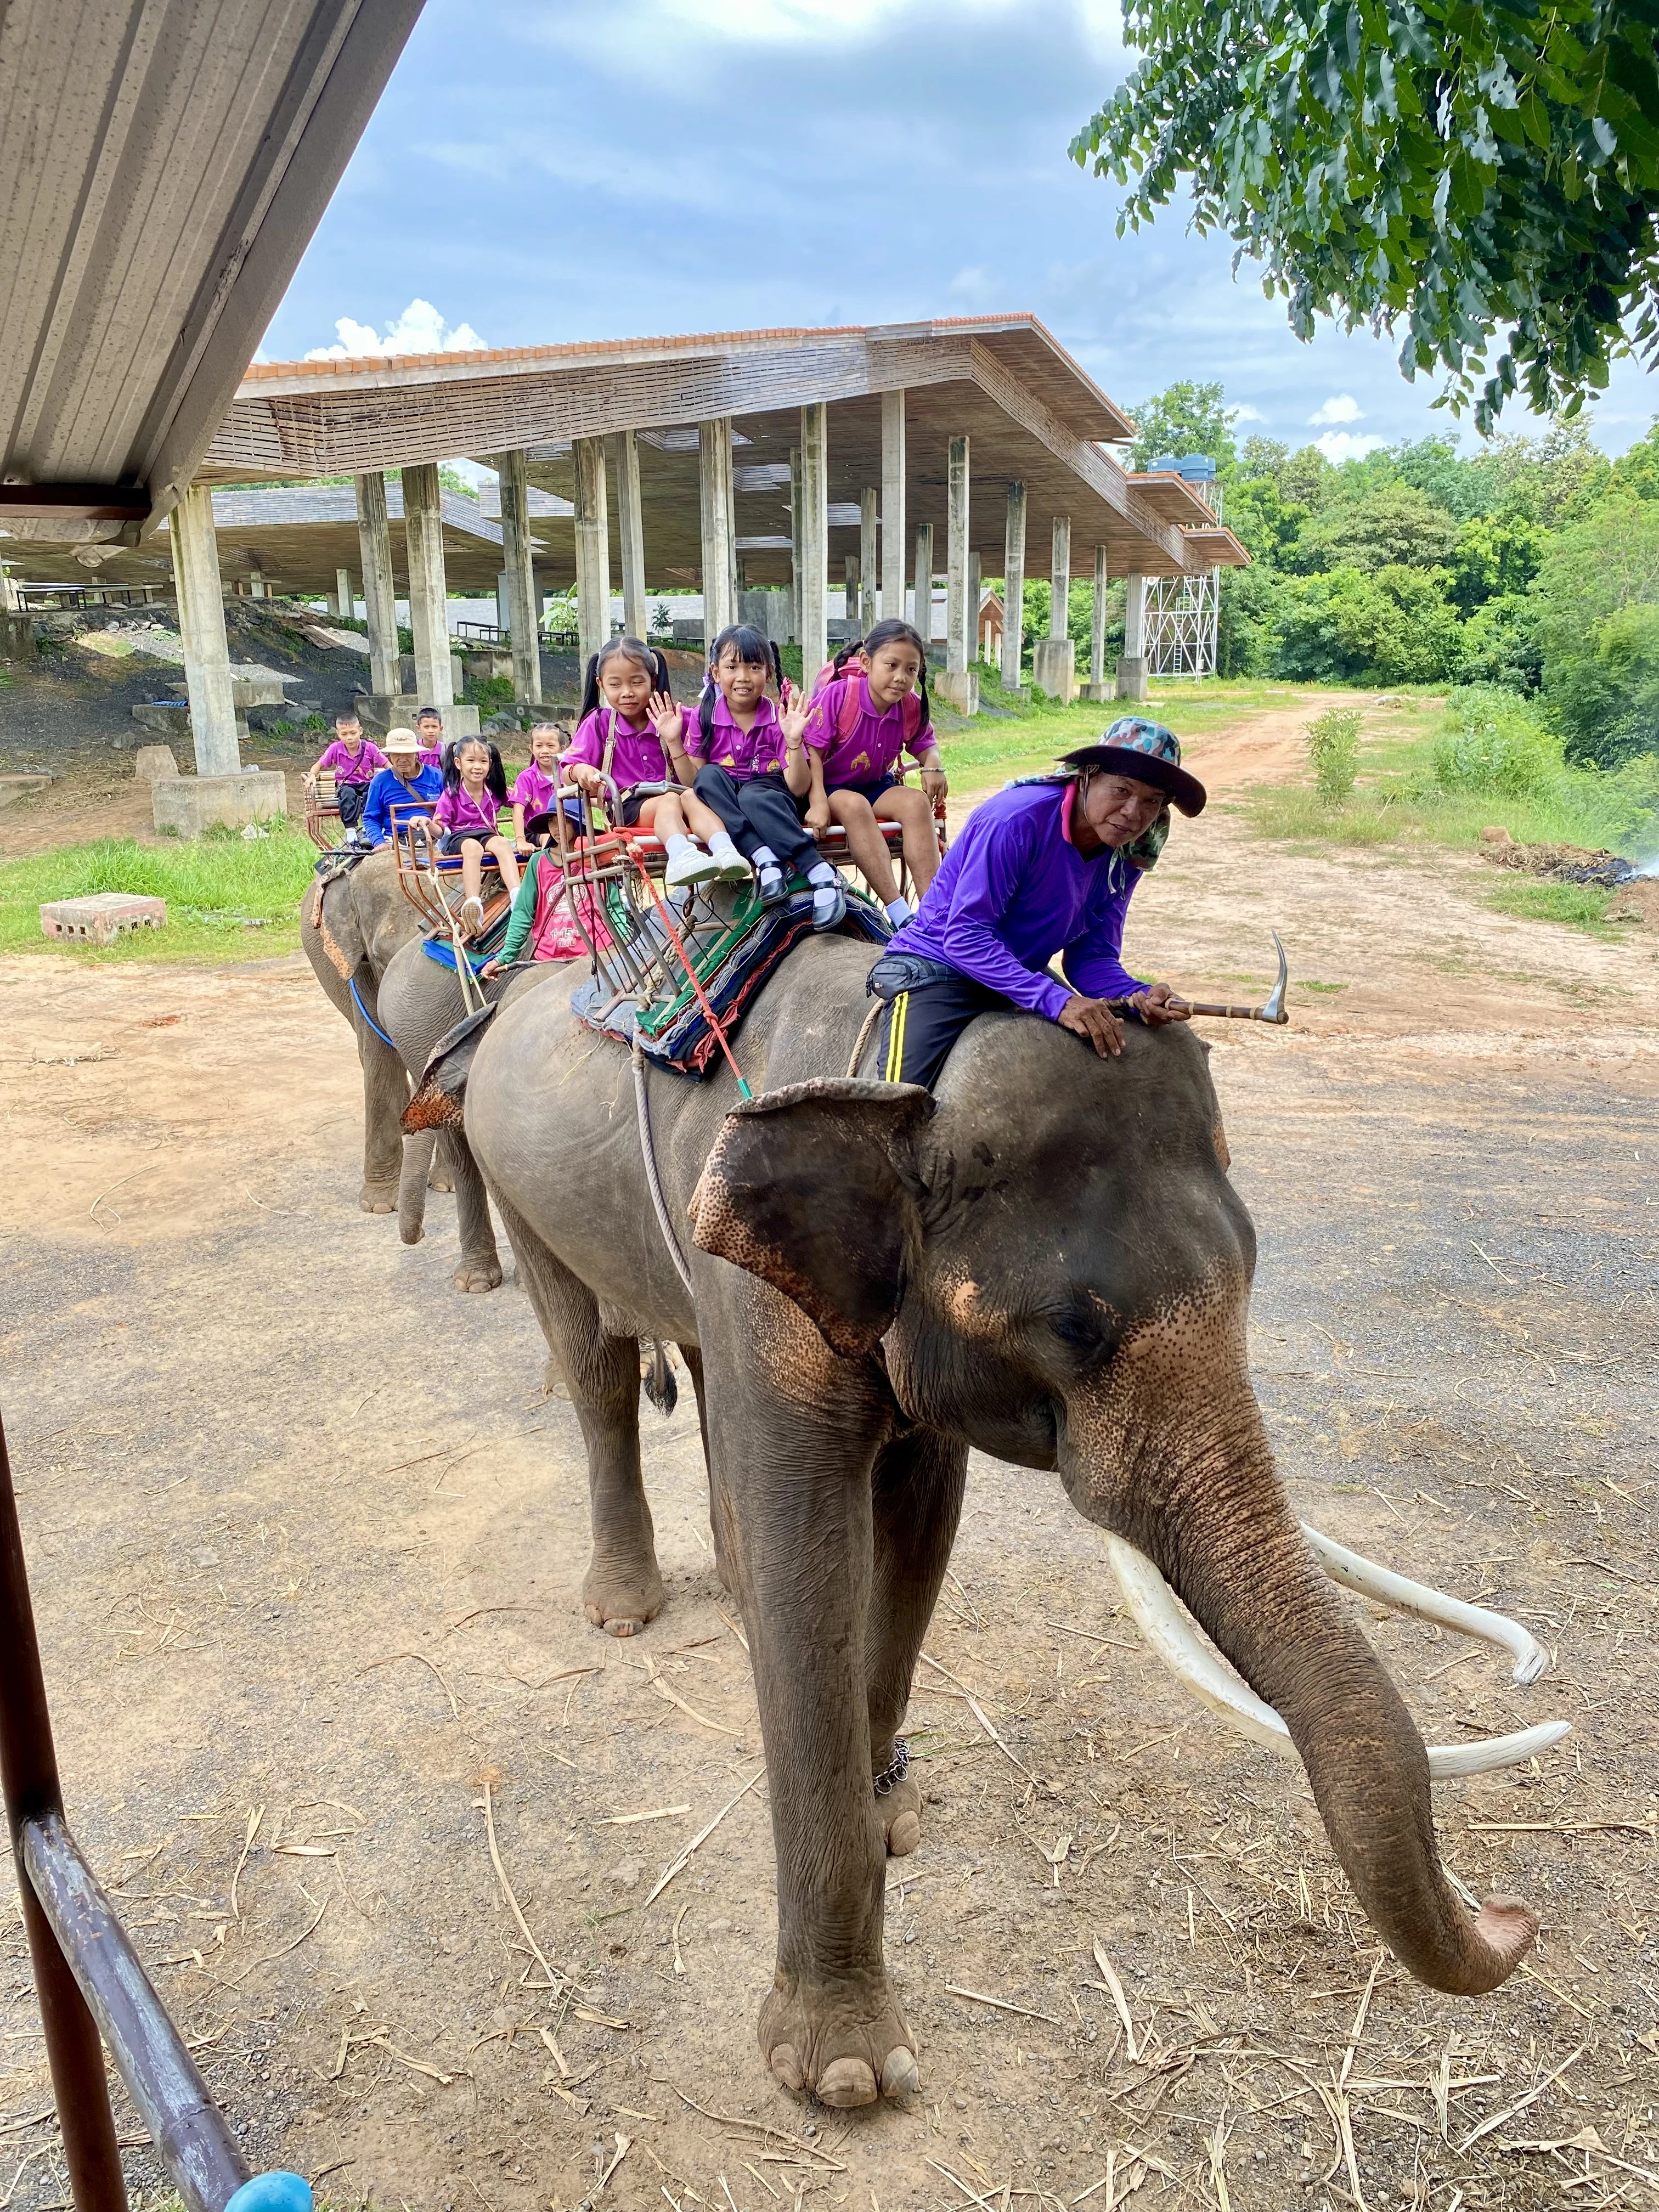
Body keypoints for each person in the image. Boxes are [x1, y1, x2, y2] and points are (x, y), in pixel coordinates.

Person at [871, 718, 1203, 1092]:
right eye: (1121, 790)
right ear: (1086, 778)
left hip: (1015, 974)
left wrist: (1139, 995)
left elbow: (1090, 959)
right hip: (939, 966)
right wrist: (1058, 1002)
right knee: (897, 1105)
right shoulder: (1015, 820)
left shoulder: (1127, 854)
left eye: (1151, 802)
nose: (1132, 813)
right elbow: (964, 937)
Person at [658, 624, 847, 930]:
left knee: (753, 794)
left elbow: (798, 786)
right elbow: (694, 783)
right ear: (716, 673)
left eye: (754, 667)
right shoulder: (704, 718)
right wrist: (674, 742)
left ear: (769, 674)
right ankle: (765, 859)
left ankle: (820, 873)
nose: (743, 677)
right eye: (732, 667)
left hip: (772, 800)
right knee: (708, 777)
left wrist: (795, 742)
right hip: (729, 804)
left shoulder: (780, 719)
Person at [564, 637, 746, 891]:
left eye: (637, 682)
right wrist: (579, 771)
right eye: (615, 685)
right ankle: (681, 855)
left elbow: (718, 722)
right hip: (626, 805)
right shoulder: (600, 722)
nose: (627, 692)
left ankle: (725, 851)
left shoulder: (675, 716)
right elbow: (567, 769)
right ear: (601, 685)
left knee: (692, 795)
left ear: (652, 679)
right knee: (669, 800)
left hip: (676, 795)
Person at [800, 620, 946, 926]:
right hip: (828, 786)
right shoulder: (840, 696)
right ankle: (898, 912)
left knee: (917, 803)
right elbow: (811, 749)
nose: (900, 677)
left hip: (874, 783)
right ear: (866, 662)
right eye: (891, 665)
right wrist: (817, 802)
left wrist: (933, 765)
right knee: (855, 806)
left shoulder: (910, 706)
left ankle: (935, 915)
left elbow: (925, 746)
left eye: (910, 670)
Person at [481, 806, 610, 975]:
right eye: (552, 822)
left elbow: (613, 905)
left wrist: (624, 938)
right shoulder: (538, 862)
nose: (557, 828)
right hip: (549, 955)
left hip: (595, 951)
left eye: (566, 821)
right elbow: (523, 912)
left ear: (579, 824)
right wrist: (504, 956)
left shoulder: (596, 859)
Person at [436, 737, 521, 935]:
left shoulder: (493, 791)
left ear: (490, 765)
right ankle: (473, 902)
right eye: (471, 761)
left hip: (487, 833)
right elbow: (441, 828)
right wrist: (428, 824)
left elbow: (519, 801)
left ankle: (517, 894)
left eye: (483, 761)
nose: (477, 767)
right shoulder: (451, 794)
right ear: (458, 763)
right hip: (459, 836)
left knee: (501, 842)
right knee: (473, 848)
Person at [305, 710, 386, 829]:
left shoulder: (370, 748)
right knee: (348, 795)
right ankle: (351, 830)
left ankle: (370, 826)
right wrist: (312, 775)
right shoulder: (335, 748)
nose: (350, 738)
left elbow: (388, 765)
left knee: (373, 794)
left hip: (368, 784)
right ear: (338, 734)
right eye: (344, 734)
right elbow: (318, 765)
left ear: (360, 731)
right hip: (346, 785)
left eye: (353, 733)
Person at [360, 728, 442, 844]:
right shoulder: (380, 781)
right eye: (397, 755)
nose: (402, 760)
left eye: (408, 754)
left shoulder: (436, 776)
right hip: (395, 840)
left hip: (434, 838)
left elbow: (450, 811)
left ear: (416, 754)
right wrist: (379, 842)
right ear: (389, 756)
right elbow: (371, 818)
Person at [510, 720, 569, 845]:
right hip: (537, 831)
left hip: (567, 826)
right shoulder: (526, 778)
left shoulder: (568, 773)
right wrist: (521, 840)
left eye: (550, 746)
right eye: (539, 746)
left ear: (562, 748)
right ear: (531, 748)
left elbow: (584, 797)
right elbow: (518, 810)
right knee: (550, 839)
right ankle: (546, 864)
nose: (545, 750)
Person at [414, 707, 447, 775]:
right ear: (419, 728)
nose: (431, 731)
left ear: (441, 729)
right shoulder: (414, 750)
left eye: (434, 727)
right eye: (426, 727)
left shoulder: (445, 750)